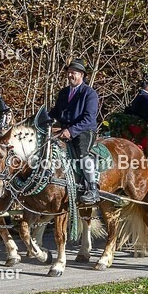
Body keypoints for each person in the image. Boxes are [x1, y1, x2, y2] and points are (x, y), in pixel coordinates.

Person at [51, 59, 101, 204]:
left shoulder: (89, 93)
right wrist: (40, 120)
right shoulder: (63, 93)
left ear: (81, 75)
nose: (70, 75)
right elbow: (55, 112)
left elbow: (89, 118)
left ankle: (93, 189)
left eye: (73, 73)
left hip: (84, 131)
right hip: (64, 130)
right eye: (69, 72)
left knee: (81, 151)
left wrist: (71, 131)